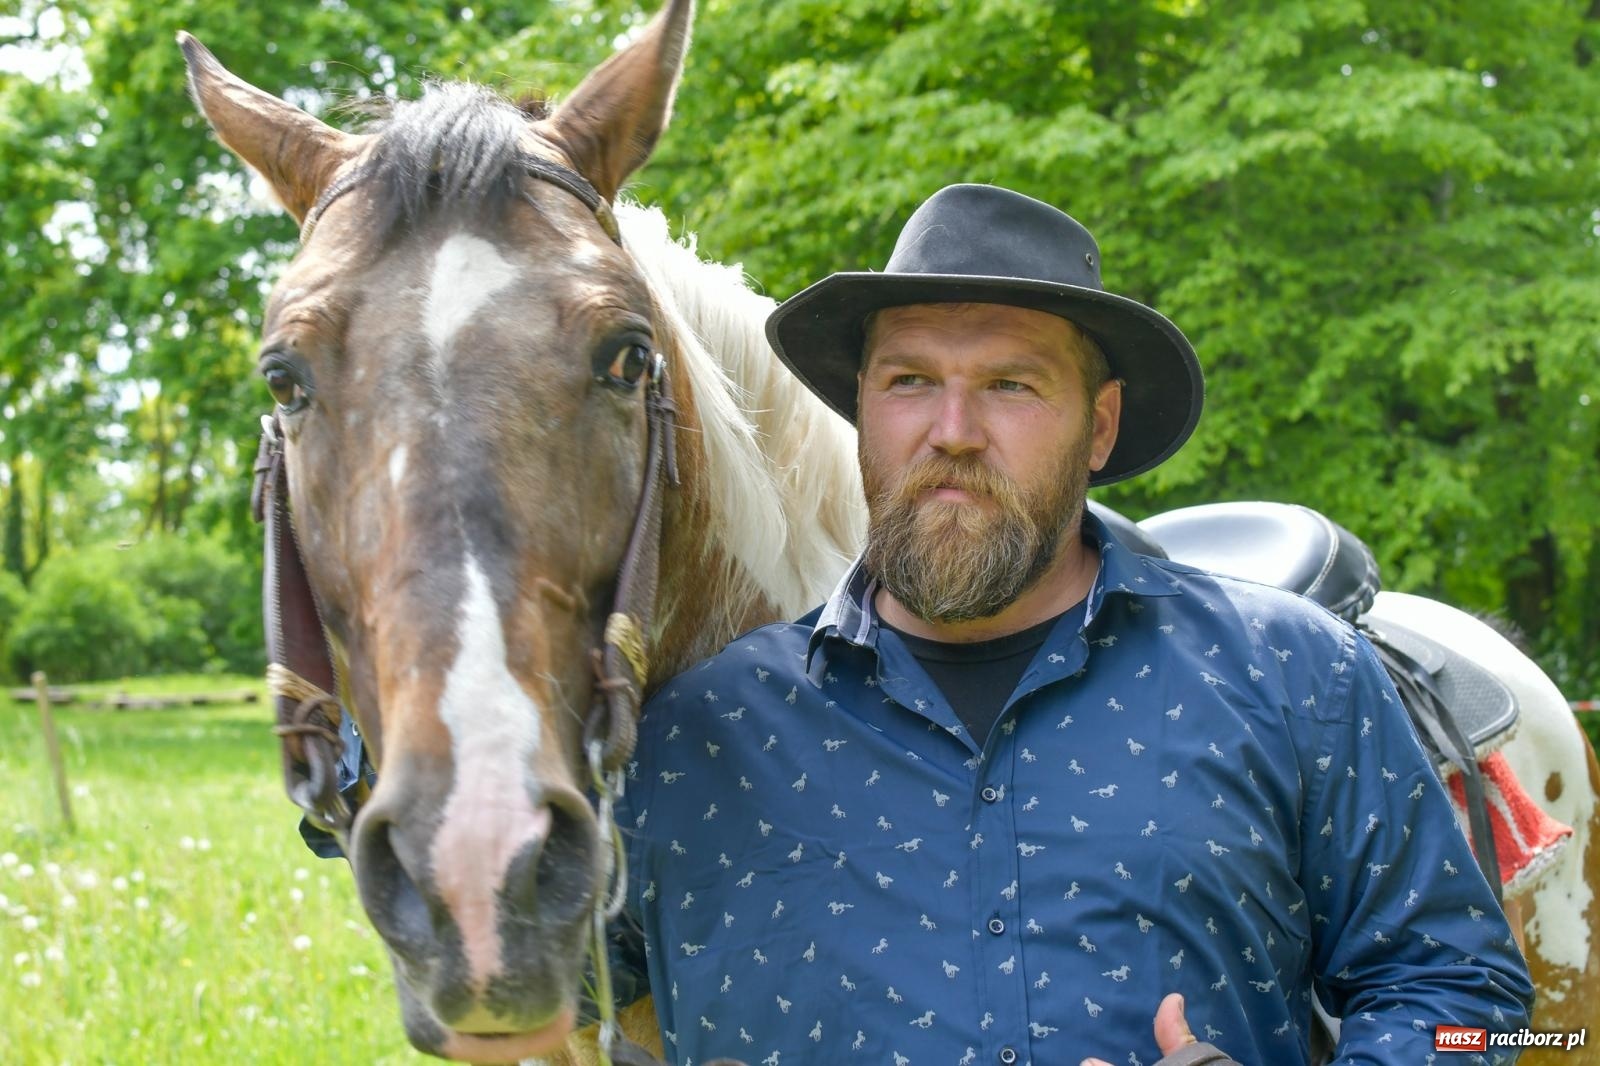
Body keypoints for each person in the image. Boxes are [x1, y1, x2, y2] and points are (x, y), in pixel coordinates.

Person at [613, 184, 1533, 1065]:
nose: (954, 429)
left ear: (1098, 429)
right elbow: (507, 987)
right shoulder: (692, 737)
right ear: (861, 411)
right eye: (908, 380)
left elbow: (1471, 1007)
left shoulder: (1299, 679)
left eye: (1011, 384)